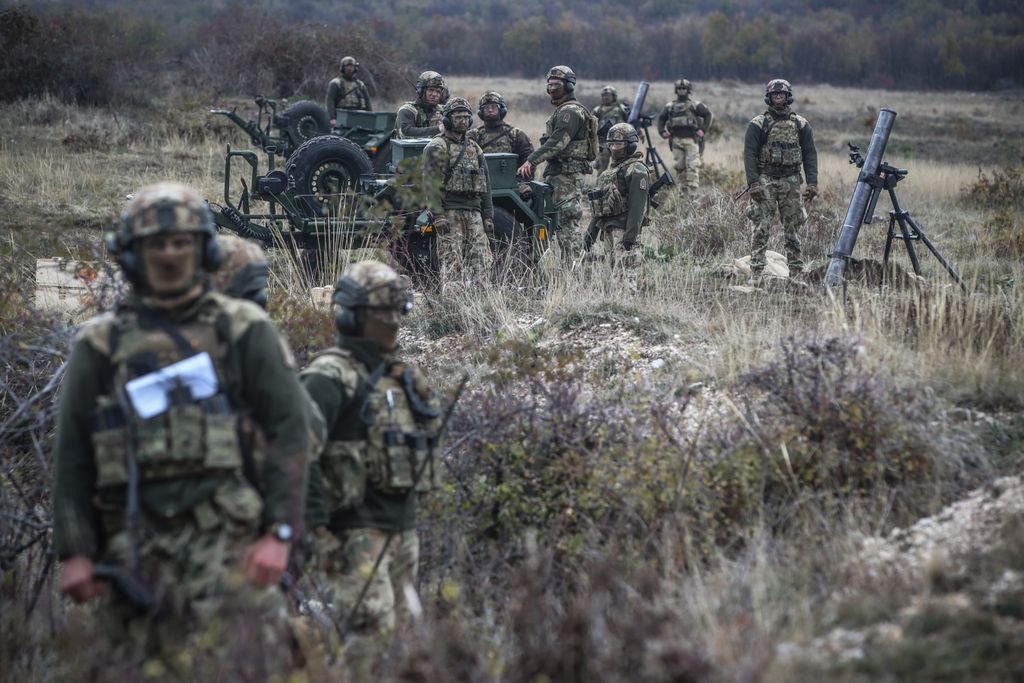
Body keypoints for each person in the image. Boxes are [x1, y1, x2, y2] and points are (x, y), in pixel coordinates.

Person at [53, 183, 309, 672]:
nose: (170, 255)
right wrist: (75, 550)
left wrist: (280, 534)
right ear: (132, 255)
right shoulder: (99, 345)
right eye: (156, 244)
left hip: (231, 550)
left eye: (182, 242)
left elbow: (290, 436)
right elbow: (73, 456)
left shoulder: (244, 330)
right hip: (133, 555)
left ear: (205, 250)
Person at [299, 261, 443, 637]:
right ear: (352, 317)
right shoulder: (329, 378)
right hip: (354, 533)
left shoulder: (403, 376)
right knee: (370, 639)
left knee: (406, 637)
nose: (392, 321)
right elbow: (297, 456)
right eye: (381, 311)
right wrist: (319, 532)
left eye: (398, 310)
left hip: (403, 528)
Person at [517, 65, 598, 265]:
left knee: (567, 222)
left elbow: (557, 142)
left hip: (567, 176)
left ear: (569, 86)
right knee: (559, 221)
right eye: (550, 84)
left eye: (557, 84)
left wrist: (531, 160)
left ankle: (573, 270)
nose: (552, 89)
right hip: (559, 174)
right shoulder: (563, 110)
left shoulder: (570, 112)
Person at [743, 78, 818, 281]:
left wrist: (812, 183)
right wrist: (754, 183)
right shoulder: (758, 124)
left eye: (782, 94)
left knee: (792, 228)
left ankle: (796, 273)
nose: (778, 97)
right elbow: (749, 154)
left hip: (791, 181)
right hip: (765, 180)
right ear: (769, 97)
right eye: (775, 94)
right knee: (760, 228)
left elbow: (810, 154)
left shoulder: (801, 124)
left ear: (788, 96)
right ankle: (756, 273)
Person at [421, 96, 494, 284]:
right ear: (447, 120)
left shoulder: (475, 148)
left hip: (474, 213)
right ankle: (453, 307)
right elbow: (430, 184)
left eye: (466, 117)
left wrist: (488, 216)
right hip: (450, 213)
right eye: (457, 117)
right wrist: (438, 216)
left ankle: (480, 306)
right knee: (452, 262)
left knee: (482, 262)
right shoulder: (437, 146)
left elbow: (486, 185)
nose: (462, 121)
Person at [584, 123, 650, 266]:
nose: (614, 148)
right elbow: (600, 208)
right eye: (611, 144)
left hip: (624, 231)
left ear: (630, 145)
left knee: (626, 277)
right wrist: (590, 235)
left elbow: (637, 208)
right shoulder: (609, 173)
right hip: (607, 230)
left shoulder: (636, 169)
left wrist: (629, 239)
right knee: (612, 279)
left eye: (618, 144)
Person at [656, 79, 714, 193]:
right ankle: (683, 192)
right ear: (676, 90)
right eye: (679, 88)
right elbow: (661, 119)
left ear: (688, 90)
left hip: (691, 140)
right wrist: (662, 132)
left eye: (684, 88)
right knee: (679, 167)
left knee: (692, 166)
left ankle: (692, 193)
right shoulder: (670, 106)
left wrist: (703, 130)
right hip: (676, 141)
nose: (682, 91)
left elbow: (708, 115)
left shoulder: (695, 105)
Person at [467, 91, 534, 169]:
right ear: (481, 112)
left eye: (494, 107)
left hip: (510, 179)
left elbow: (529, 159)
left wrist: (520, 178)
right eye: (486, 108)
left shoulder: (515, 134)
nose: (490, 110)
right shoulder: (474, 135)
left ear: (502, 110)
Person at [395, 70, 448, 139]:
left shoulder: (443, 111)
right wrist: (438, 129)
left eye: (438, 91)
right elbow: (405, 133)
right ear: (421, 91)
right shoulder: (407, 110)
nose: (434, 94)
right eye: (431, 90)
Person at [592, 85, 630, 172]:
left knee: (620, 164)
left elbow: (628, 122)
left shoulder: (621, 109)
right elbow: (591, 124)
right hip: (603, 142)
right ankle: (601, 182)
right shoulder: (598, 110)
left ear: (614, 97)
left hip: (618, 140)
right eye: (604, 96)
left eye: (608, 95)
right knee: (602, 164)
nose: (606, 98)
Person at [326, 56, 372, 126]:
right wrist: (332, 118)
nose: (349, 68)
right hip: (342, 118)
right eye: (347, 66)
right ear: (343, 68)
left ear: (355, 68)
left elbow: (367, 101)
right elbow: (330, 100)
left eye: (352, 66)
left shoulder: (360, 85)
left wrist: (370, 117)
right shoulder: (336, 83)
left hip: (359, 117)